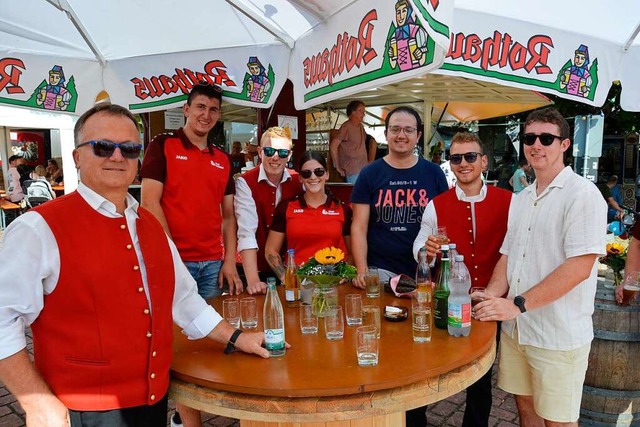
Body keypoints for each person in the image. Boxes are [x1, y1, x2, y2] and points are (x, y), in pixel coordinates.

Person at [0, 103, 270, 427]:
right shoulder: (38, 227)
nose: (117, 157)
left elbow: (183, 299)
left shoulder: (151, 224)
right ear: (77, 157)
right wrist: (36, 402)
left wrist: (237, 337)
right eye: (103, 147)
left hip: (153, 399)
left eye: (129, 149)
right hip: (83, 410)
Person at [474, 107, 607, 426]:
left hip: (557, 335)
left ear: (564, 144)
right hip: (519, 330)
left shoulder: (583, 195)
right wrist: (490, 299)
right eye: (529, 138)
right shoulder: (521, 198)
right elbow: (508, 255)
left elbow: (579, 268)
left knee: (557, 421)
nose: (536, 144)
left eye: (546, 138)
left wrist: (516, 305)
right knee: (526, 411)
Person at [350, 105, 448, 427]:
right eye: (395, 129)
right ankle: (385, 415)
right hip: (382, 273)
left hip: (422, 276)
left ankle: (415, 415)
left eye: (408, 129)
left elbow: (442, 226)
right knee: (385, 344)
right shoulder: (370, 173)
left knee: (419, 346)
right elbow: (359, 226)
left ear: (418, 135)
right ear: (386, 133)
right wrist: (362, 269)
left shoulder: (434, 174)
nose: (401, 135)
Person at [413, 132, 512, 427]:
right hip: (446, 301)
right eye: (456, 158)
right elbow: (419, 251)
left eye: (470, 157)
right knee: (426, 369)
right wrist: (426, 252)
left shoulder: (509, 201)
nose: (463, 163)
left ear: (483, 161)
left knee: (481, 380)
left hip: (489, 302)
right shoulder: (436, 204)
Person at [141, 82, 242, 300]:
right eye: (200, 107)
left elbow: (228, 216)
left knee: (211, 329)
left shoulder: (223, 159)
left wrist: (230, 261)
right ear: (186, 110)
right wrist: (172, 256)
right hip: (172, 259)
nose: (206, 115)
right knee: (173, 329)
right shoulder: (163, 145)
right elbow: (148, 203)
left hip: (213, 264)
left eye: (213, 109)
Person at [235, 127, 302, 294]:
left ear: (290, 155)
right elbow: (246, 232)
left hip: (295, 268)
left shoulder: (298, 180)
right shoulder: (246, 182)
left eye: (283, 153)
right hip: (256, 268)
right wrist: (253, 281)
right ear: (259, 151)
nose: (275, 157)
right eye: (269, 151)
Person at [265, 151, 352, 279]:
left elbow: (353, 252)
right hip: (298, 282)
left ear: (327, 174)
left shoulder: (342, 209)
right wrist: (286, 278)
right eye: (306, 173)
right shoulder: (286, 207)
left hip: (331, 282)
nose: (313, 177)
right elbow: (270, 251)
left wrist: (343, 277)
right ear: (300, 178)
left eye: (319, 172)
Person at [330, 100, 369, 183]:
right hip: (352, 172)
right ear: (353, 112)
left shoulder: (361, 127)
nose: (363, 114)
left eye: (364, 111)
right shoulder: (346, 127)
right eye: (360, 111)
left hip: (363, 170)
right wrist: (337, 167)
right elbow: (333, 146)